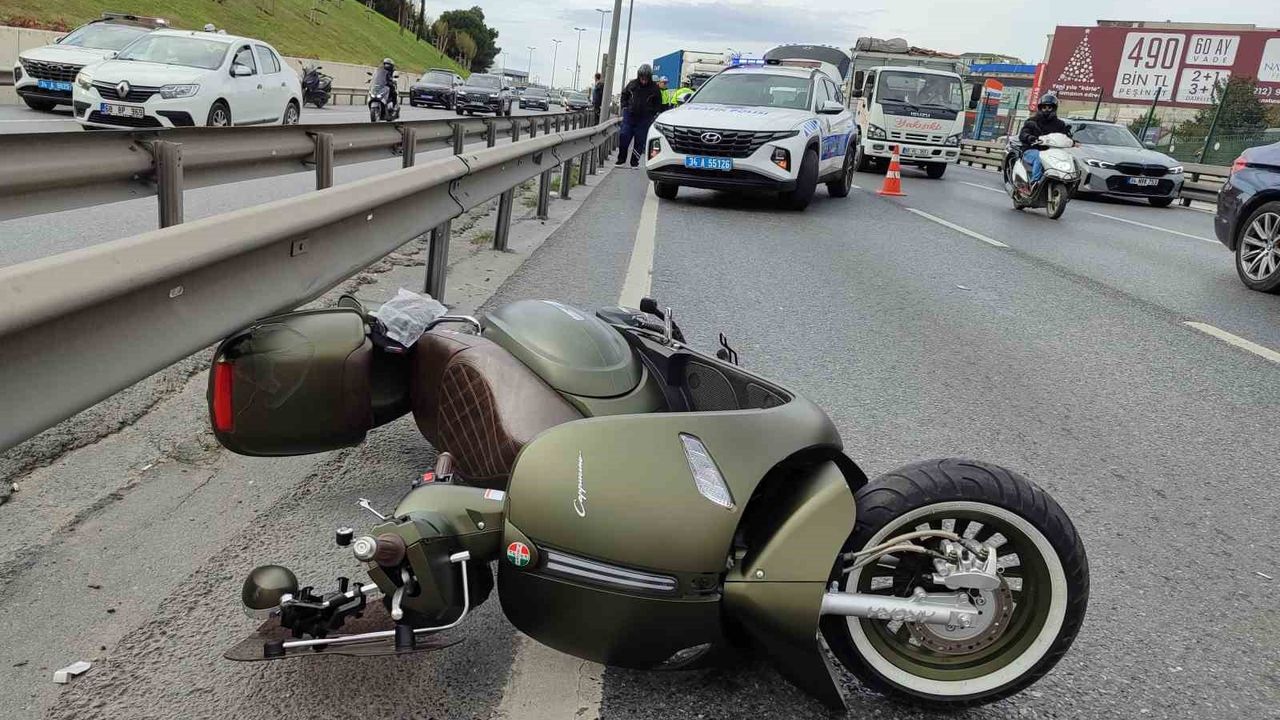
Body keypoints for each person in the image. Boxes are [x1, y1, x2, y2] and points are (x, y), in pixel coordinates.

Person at [1017, 92, 1072, 182]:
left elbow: (1064, 136)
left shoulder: (1060, 124)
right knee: (1040, 158)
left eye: (1049, 107)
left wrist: (1072, 141)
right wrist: (1029, 137)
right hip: (1031, 150)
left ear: (1054, 108)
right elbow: (1023, 134)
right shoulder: (1032, 121)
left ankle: (1068, 181)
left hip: (1051, 152)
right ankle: (1034, 182)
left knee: (1067, 158)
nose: (1047, 110)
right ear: (1040, 108)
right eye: (1044, 107)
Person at [616, 64, 662, 167]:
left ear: (649, 77)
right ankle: (621, 159)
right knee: (624, 135)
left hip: (644, 119)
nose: (644, 80)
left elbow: (658, 103)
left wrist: (652, 113)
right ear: (639, 76)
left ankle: (634, 162)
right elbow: (624, 95)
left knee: (640, 140)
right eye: (642, 78)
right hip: (630, 116)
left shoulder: (654, 88)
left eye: (646, 78)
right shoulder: (632, 84)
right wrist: (624, 107)